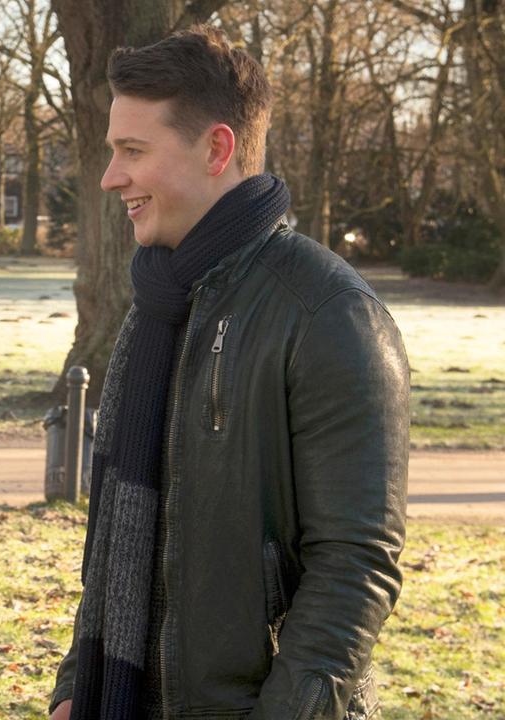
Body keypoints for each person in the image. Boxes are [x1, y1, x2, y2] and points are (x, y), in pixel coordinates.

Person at [49, 27, 408, 720]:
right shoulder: (157, 304)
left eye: (132, 151)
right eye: (111, 152)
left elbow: (356, 568)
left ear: (216, 149)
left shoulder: (329, 313)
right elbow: (118, 552)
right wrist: (75, 688)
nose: (110, 177)